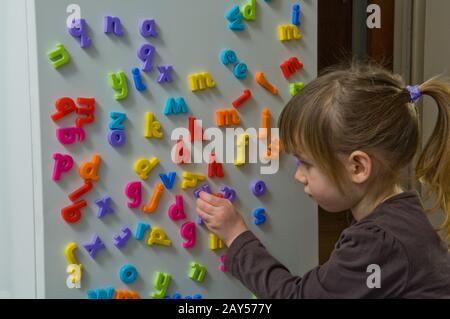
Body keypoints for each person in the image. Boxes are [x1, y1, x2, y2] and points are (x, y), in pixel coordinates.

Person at [196, 62, 450, 298]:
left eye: (306, 163)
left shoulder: (377, 243)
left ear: (358, 166)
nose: (298, 175)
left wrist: (236, 235)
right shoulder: (403, 215)